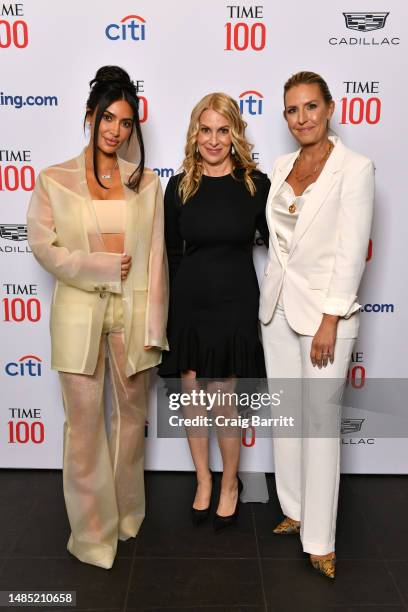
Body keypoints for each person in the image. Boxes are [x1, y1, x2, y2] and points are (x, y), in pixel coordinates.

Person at [27, 66, 168, 569]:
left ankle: (126, 516)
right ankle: (91, 535)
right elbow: (44, 247)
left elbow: (154, 257)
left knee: (131, 422)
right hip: (78, 315)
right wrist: (99, 266)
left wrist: (154, 325)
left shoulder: (146, 182)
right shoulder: (54, 179)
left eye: (126, 122)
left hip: (132, 316)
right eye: (107, 118)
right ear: (90, 118)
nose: (115, 130)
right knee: (84, 427)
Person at [260, 71, 374, 578]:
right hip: (277, 309)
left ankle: (321, 540)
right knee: (288, 417)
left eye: (310, 107)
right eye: (292, 110)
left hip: (325, 316)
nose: (301, 117)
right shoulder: (283, 164)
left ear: (329, 108)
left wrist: (331, 317)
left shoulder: (354, 167)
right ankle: (295, 507)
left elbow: (351, 252)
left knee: (321, 426)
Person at [159, 92, 270, 530]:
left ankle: (229, 484)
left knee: (224, 403)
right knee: (192, 402)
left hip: (235, 304)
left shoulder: (254, 185)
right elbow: (171, 252)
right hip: (190, 305)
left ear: (235, 134)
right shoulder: (180, 184)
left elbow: (283, 243)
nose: (214, 139)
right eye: (206, 130)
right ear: (195, 133)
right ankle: (202, 481)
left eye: (223, 130)